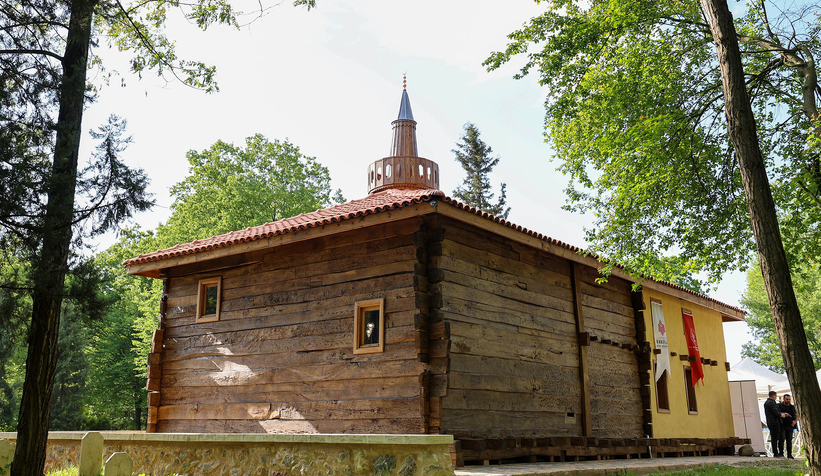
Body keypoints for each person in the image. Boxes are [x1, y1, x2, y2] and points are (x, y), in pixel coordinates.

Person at [764, 390, 785, 456]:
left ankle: (775, 452)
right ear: (773, 396)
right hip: (774, 422)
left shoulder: (767, 402)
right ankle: (775, 452)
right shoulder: (771, 402)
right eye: (775, 396)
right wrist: (781, 415)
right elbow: (775, 412)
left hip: (771, 422)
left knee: (774, 437)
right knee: (775, 438)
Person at [779, 394, 798, 459]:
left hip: (790, 425)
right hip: (782, 425)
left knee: (789, 440)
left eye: (789, 399)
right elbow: (777, 414)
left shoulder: (792, 407)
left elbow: (796, 415)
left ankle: (789, 454)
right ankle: (781, 453)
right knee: (782, 439)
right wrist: (783, 414)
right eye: (787, 399)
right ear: (784, 399)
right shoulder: (779, 406)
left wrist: (795, 421)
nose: (788, 400)